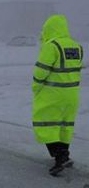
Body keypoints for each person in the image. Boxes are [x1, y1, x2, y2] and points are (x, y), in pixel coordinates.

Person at [32, 15, 83, 176]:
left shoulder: (51, 46)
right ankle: (64, 154)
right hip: (72, 95)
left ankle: (59, 156)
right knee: (64, 125)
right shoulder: (76, 46)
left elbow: (41, 71)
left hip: (53, 94)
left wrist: (36, 87)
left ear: (50, 28)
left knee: (44, 124)